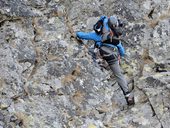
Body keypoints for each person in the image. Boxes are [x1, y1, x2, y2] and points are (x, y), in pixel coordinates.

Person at [76, 15, 135, 105]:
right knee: (119, 75)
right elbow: (122, 52)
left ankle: (96, 67)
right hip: (113, 58)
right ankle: (127, 95)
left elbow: (82, 35)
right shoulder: (116, 38)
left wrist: (76, 34)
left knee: (91, 51)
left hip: (101, 56)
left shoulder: (99, 35)